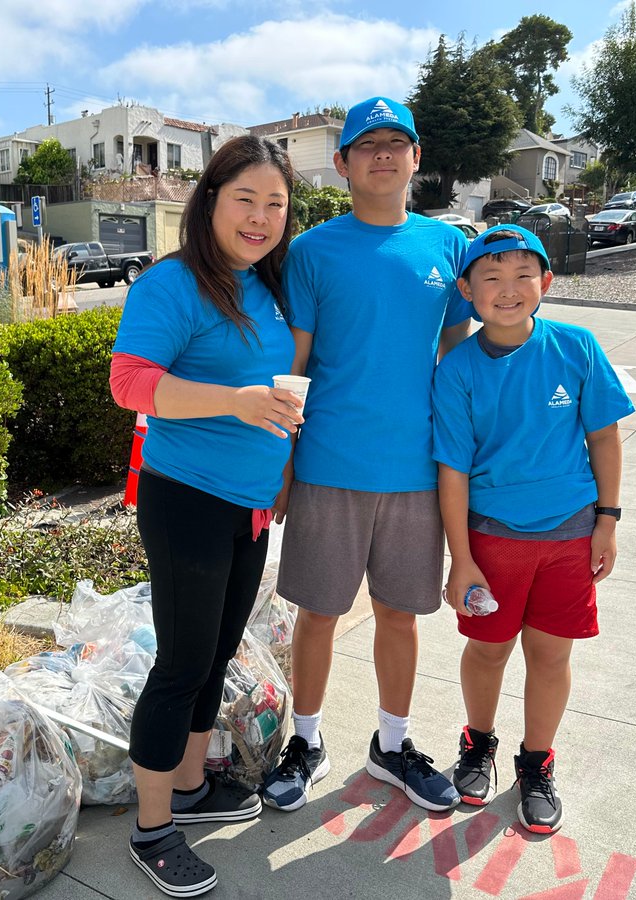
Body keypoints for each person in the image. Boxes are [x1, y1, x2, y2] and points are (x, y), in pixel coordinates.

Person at [260, 97, 472, 814]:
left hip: (416, 472)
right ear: (344, 163)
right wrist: (283, 466)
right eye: (367, 144)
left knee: (399, 616)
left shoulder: (448, 249)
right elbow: (296, 362)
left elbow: (455, 346)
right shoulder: (314, 252)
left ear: (416, 158)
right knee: (317, 615)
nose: (383, 154)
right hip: (328, 467)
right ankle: (308, 740)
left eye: (397, 142)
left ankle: (392, 744)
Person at [109, 135, 302, 897]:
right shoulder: (173, 284)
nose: (259, 218)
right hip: (186, 496)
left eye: (275, 205)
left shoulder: (266, 285)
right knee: (181, 662)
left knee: (218, 655)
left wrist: (279, 471)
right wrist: (234, 402)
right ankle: (151, 829)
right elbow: (130, 383)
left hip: (249, 506)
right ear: (211, 201)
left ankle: (188, 788)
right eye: (245, 200)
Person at [431, 224, 635, 833]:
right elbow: (453, 471)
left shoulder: (577, 347)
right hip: (493, 538)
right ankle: (479, 742)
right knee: (488, 649)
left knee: (550, 655)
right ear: (467, 290)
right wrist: (460, 559)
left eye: (524, 275)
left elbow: (604, 437)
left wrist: (608, 520)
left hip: (569, 536)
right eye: (490, 277)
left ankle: (536, 761)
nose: (509, 289)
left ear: (546, 283)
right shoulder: (457, 369)